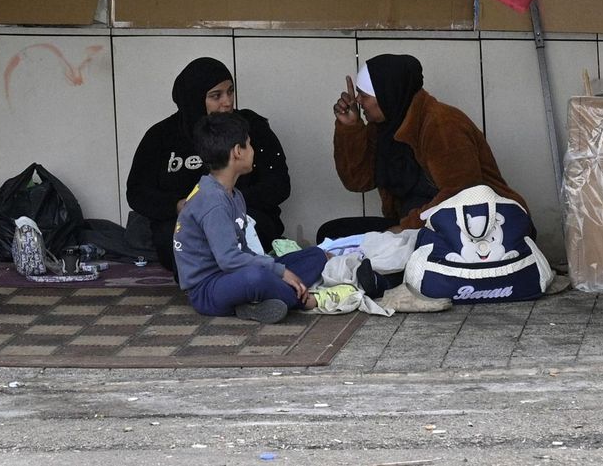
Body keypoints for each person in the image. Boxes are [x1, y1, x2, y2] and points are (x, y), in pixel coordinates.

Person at [320, 53, 529, 242]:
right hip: (418, 225)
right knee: (332, 234)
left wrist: (402, 230)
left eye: (364, 95)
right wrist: (351, 128)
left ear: (388, 95)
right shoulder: (385, 126)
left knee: (377, 261)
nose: (358, 101)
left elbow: (462, 196)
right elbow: (358, 181)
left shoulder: (442, 124)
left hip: (476, 231)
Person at [127, 57, 291, 270]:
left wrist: (228, 204)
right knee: (173, 238)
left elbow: (279, 185)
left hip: (243, 217)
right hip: (184, 221)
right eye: (216, 96)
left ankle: (236, 277)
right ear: (194, 99)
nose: (228, 102)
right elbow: (138, 192)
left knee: (244, 236)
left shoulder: (251, 128)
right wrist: (179, 205)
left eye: (230, 92)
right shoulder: (161, 136)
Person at [174, 113, 326, 324]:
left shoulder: (233, 195)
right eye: (249, 144)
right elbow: (229, 260)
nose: (253, 151)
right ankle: (302, 300)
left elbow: (242, 251)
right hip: (208, 290)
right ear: (237, 151)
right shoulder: (213, 201)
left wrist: (278, 269)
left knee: (314, 256)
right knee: (257, 278)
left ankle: (254, 305)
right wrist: (279, 272)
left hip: (232, 274)